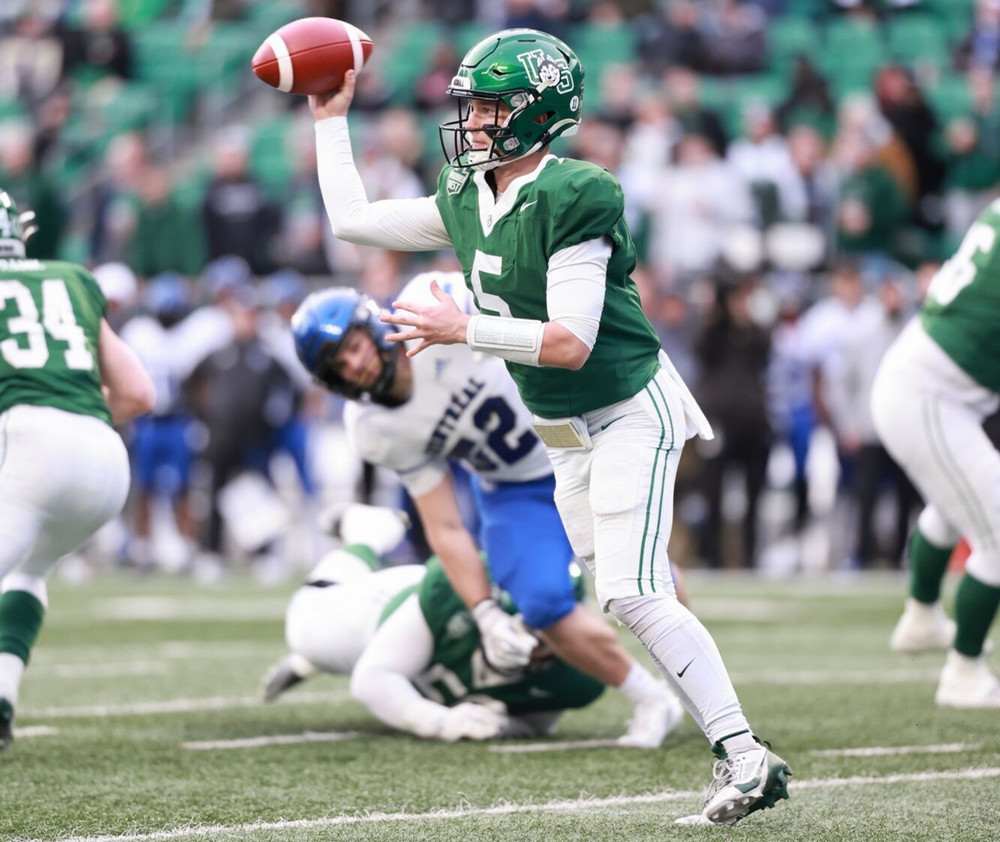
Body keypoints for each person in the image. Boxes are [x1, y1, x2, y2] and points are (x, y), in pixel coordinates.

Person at [308, 28, 790, 825]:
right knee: (630, 594)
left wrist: (462, 331)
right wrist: (331, 119)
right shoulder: (468, 196)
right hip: (564, 434)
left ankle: (744, 756)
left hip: (631, 408)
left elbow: (570, 342)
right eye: (472, 106)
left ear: (539, 113)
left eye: (490, 107)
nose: (472, 122)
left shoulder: (577, 193)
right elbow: (354, 221)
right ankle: (729, 742)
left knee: (634, 593)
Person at [290, 273, 684, 749]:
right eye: (338, 364)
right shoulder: (374, 429)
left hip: (585, 439)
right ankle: (651, 700)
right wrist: (484, 613)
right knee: (540, 603)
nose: (354, 363)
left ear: (370, 324)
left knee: (646, 576)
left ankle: (688, 683)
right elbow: (445, 524)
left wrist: (466, 325)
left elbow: (525, 305)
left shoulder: (428, 301)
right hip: (517, 487)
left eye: (352, 345)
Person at [0, 189, 155, 752]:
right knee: (29, 568)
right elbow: (138, 393)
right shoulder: (71, 278)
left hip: (29, 447)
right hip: (104, 458)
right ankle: (3, 695)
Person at [262, 504, 611, 743]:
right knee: (304, 623)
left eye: (556, 632)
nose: (536, 646)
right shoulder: (453, 601)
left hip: (418, 657)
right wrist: (440, 722)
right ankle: (367, 531)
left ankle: (311, 660)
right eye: (535, 626)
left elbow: (535, 724)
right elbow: (373, 680)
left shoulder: (578, 676)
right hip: (380, 613)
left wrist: (502, 725)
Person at [871, 198, 1000, 708]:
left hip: (928, 388)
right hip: (929, 397)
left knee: (955, 507)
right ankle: (963, 674)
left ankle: (922, 618)